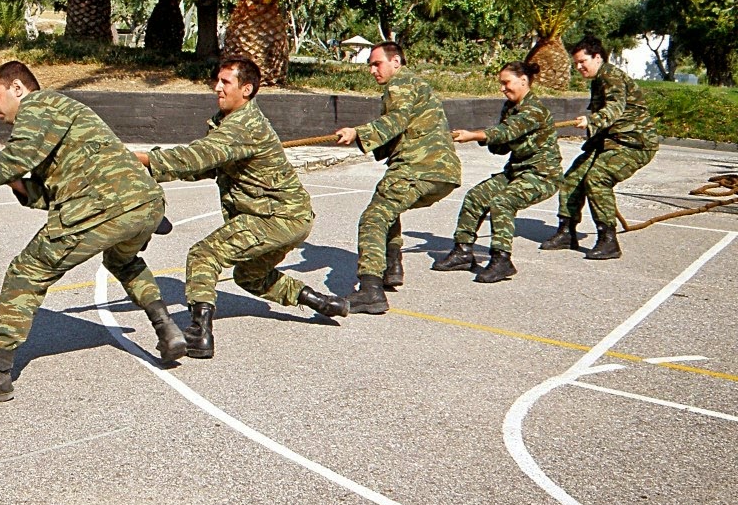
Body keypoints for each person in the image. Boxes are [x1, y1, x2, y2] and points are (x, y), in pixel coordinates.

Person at [0, 60, 185, 398]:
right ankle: (167, 329)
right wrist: (12, 182)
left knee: (26, 271)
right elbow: (49, 187)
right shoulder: (60, 112)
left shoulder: (37, 105)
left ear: (17, 89)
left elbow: (18, 157)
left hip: (100, 207)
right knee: (123, 261)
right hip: (144, 203)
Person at [137, 59, 349, 358]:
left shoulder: (243, 125)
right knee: (250, 276)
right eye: (218, 81)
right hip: (291, 217)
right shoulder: (229, 122)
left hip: (275, 217)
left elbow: (198, 156)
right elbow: (205, 165)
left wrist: (144, 159)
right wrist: (152, 168)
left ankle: (199, 334)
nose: (217, 87)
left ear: (246, 89)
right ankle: (322, 302)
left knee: (203, 254)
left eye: (226, 82)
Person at [335, 41, 461, 315]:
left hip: (416, 168)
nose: (372, 70)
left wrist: (359, 133)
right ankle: (392, 266)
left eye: (377, 63)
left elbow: (398, 120)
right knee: (390, 209)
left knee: (373, 218)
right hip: (443, 174)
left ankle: (370, 291)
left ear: (396, 62)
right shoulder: (418, 85)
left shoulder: (400, 84)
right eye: (370, 64)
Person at [436, 61, 561, 282]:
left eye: (506, 83)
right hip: (517, 172)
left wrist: (475, 135)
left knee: (503, 202)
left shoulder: (534, 110)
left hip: (542, 176)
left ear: (523, 81)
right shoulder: (510, 107)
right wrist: (491, 141)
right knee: (475, 197)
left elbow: (507, 131)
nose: (503, 88)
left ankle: (502, 259)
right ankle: (463, 252)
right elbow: (502, 144)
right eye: (501, 84)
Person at [538, 36, 659, 261]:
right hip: (610, 142)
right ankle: (566, 232)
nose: (578, 67)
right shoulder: (598, 79)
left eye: (582, 61)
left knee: (597, 178)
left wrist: (593, 121)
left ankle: (608, 240)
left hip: (635, 144)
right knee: (572, 178)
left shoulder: (611, 76)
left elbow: (615, 107)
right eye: (575, 63)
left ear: (597, 57)